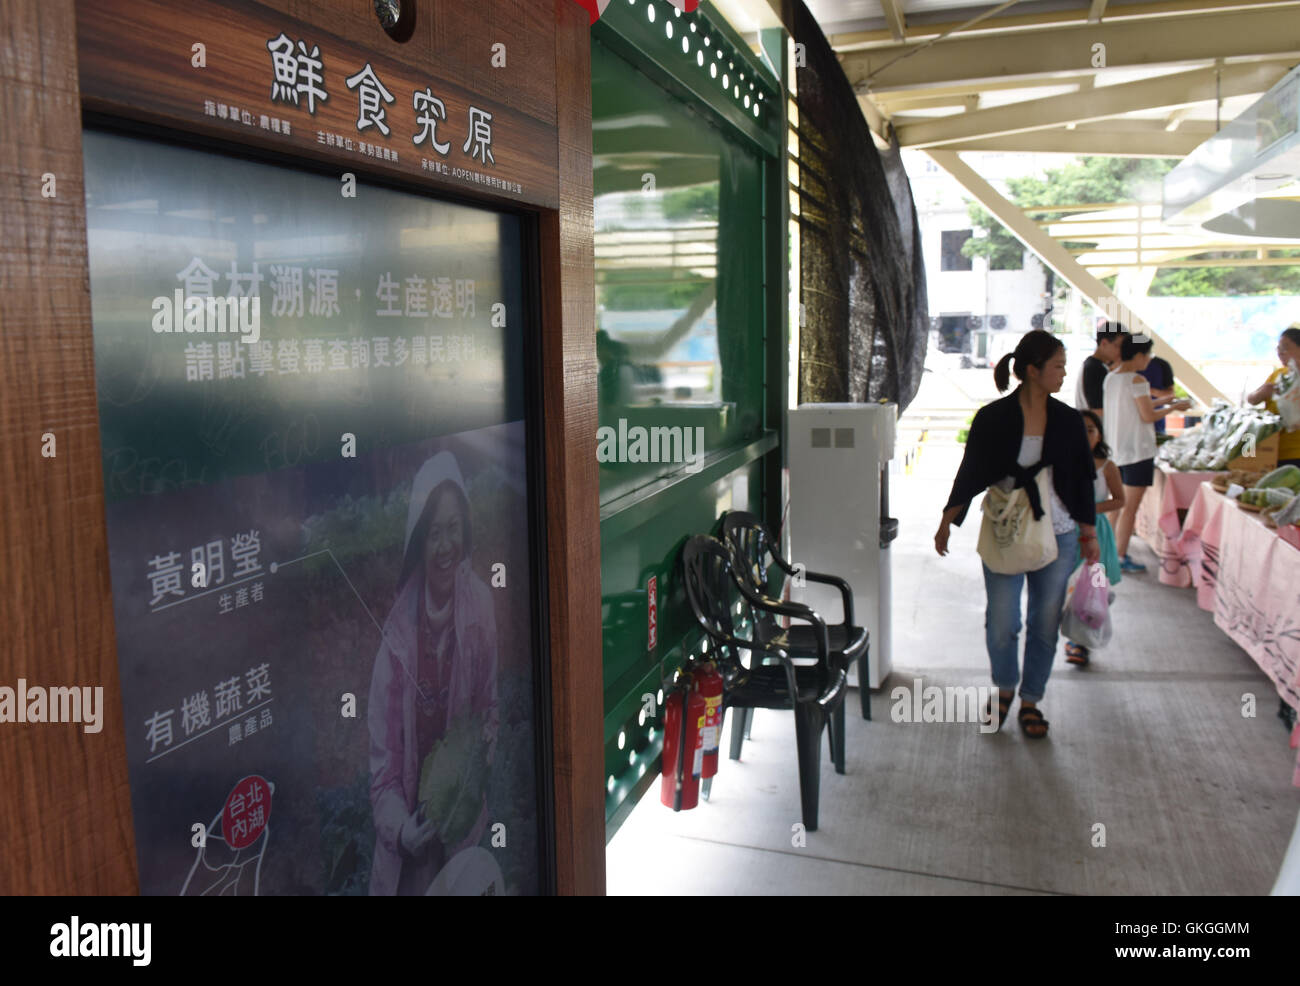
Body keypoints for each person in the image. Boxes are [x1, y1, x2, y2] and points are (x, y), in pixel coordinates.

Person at [935, 330, 1100, 739]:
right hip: (1006, 531)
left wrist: (1088, 532)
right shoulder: (993, 418)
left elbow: (1082, 477)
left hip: (1058, 534)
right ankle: (1004, 688)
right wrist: (947, 520)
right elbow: (971, 471)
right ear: (1032, 370)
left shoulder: (1067, 420)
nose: (1064, 374)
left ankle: (1031, 700)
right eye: (1058, 366)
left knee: (1044, 623)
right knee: (1002, 622)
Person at [369, 451, 499, 895]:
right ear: (418, 544)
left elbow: (488, 709)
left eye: (453, 528)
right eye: (433, 534)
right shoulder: (395, 642)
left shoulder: (481, 607)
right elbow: (383, 774)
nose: (445, 546)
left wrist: (479, 757)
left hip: (462, 835)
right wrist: (403, 831)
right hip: (410, 857)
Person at [1103, 335, 1192, 573]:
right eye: (1148, 355)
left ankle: (1108, 554)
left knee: (1116, 506)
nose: (1149, 360)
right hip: (1137, 452)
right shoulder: (1137, 379)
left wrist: (1166, 400)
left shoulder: (1111, 378)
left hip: (1116, 451)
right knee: (1129, 509)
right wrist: (1173, 407)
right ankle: (1120, 557)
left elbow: (1138, 407)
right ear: (1140, 355)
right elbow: (1147, 416)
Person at [1063, 410, 1125, 668]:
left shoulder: (1107, 467)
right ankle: (1071, 634)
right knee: (1067, 585)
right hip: (1067, 532)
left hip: (1098, 534)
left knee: (1095, 587)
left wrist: (1088, 510)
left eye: (1091, 429)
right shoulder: (1063, 461)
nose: (1085, 434)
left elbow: (1120, 500)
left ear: (1099, 435)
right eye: (1080, 429)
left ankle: (1082, 640)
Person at [1246, 325, 1300, 468]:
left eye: (1286, 348)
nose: (1280, 353)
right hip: (1272, 450)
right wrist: (1262, 393)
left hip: (1296, 453)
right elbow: (1251, 399)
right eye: (1278, 349)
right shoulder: (1278, 375)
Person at [1074, 322, 1128, 416]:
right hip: (1096, 427)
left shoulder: (1100, 365)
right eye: (1118, 346)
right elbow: (1098, 410)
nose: (1121, 351)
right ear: (1104, 343)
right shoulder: (1094, 368)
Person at [1140, 354, 1176, 435]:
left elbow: (1171, 394)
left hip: (1156, 426)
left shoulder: (1161, 364)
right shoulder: (1121, 367)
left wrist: (1148, 390)